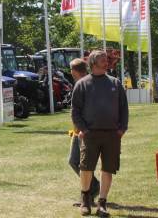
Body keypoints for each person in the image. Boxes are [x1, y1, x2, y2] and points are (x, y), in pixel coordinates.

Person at [71, 51, 129, 217]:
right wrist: (83, 129)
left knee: (108, 169)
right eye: (103, 60)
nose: (106, 63)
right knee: (85, 167)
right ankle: (86, 200)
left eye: (107, 60)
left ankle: (102, 203)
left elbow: (123, 108)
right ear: (93, 63)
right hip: (90, 135)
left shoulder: (115, 83)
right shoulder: (82, 84)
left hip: (112, 135)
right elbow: (75, 111)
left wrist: (122, 128)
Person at [66, 60, 99, 207]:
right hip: (79, 130)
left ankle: (92, 190)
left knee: (77, 162)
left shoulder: (86, 85)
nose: (70, 73)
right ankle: (91, 191)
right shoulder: (82, 84)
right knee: (77, 162)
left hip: (84, 131)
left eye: (71, 70)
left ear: (75, 71)